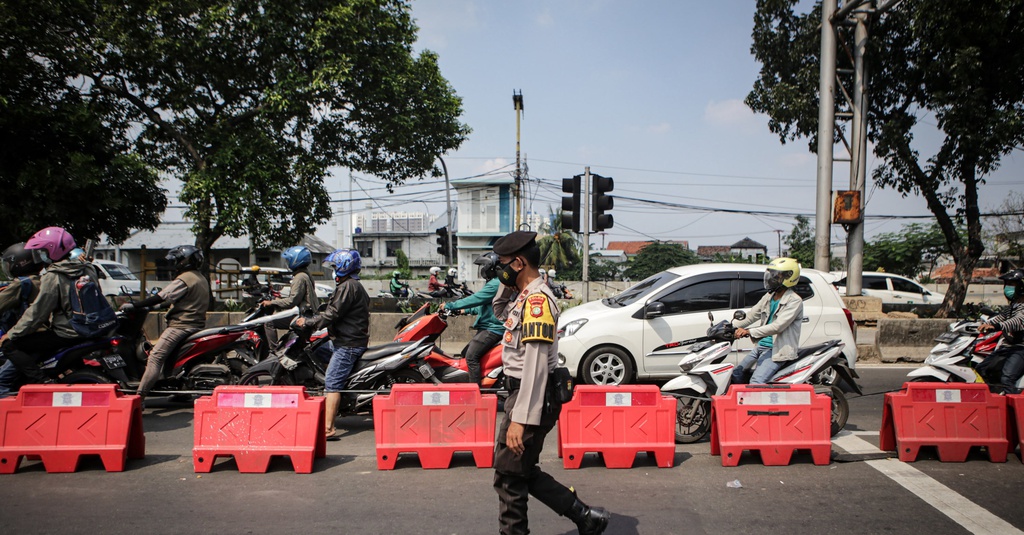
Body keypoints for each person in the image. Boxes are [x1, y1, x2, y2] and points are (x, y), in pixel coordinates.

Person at [490, 230, 610, 535]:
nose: (497, 268)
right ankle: (585, 517)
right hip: (525, 394)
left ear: (517, 263)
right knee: (520, 470)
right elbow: (500, 313)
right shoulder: (525, 296)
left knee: (509, 477)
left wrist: (520, 419)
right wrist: (506, 284)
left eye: (502, 263)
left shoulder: (537, 303)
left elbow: (535, 364)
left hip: (531, 395)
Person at [1, 227, 106, 384]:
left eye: (42, 251)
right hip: (92, 327)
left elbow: (37, 313)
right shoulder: (87, 267)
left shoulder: (54, 276)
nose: (40, 256)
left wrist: (11, 334)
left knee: (9, 345)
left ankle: (41, 382)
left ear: (53, 250)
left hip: (68, 332)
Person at [296, 248, 369, 440]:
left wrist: (309, 322)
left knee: (332, 382)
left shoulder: (348, 286)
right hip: (348, 339)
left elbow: (333, 313)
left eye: (336, 266)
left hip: (348, 343)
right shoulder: (351, 285)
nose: (334, 270)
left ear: (344, 266)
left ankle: (328, 429)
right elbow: (331, 310)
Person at [119, 245, 210, 399]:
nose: (174, 264)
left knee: (155, 357)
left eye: (177, 260)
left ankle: (139, 397)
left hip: (181, 326)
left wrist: (134, 305)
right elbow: (178, 300)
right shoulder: (200, 278)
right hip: (195, 325)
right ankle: (179, 390)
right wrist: (156, 306)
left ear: (184, 261)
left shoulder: (185, 278)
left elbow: (162, 296)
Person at [730, 257, 805, 385]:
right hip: (761, 346)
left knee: (756, 381)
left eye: (777, 276)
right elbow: (751, 316)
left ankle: (757, 405)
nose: (772, 279)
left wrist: (748, 331)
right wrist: (728, 327)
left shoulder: (794, 301)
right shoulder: (769, 296)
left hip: (777, 351)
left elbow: (778, 327)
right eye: (771, 275)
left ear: (789, 277)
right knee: (737, 374)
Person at [438, 253, 504, 384]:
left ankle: (474, 391)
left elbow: (476, 299)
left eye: (483, 266)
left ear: (490, 267)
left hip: (492, 329)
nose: (481, 270)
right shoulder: (495, 283)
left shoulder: (495, 284)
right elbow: (483, 306)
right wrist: (462, 310)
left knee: (471, 357)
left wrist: (451, 305)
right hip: (488, 327)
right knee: (464, 353)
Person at [0, 243, 45, 396]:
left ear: (19, 263)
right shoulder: (43, 280)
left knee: (1, 381)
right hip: (44, 336)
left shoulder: (21, 284)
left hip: (28, 338)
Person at [260, 246, 319, 347]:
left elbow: (292, 301)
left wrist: (272, 303)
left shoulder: (299, 277)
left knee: (269, 322)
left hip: (304, 315)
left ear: (296, 260)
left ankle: (273, 353)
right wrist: (279, 300)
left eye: (289, 260)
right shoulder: (306, 274)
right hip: (310, 313)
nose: (287, 263)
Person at [978, 269, 1024, 393]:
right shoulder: (1013, 305)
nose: (1008, 288)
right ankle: (995, 398)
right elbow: (1001, 317)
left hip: (1021, 348)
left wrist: (996, 326)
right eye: (1007, 284)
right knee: (983, 368)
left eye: (1012, 285)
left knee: (1007, 379)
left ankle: (1015, 410)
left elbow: (1018, 321)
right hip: (1009, 347)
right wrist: (986, 324)